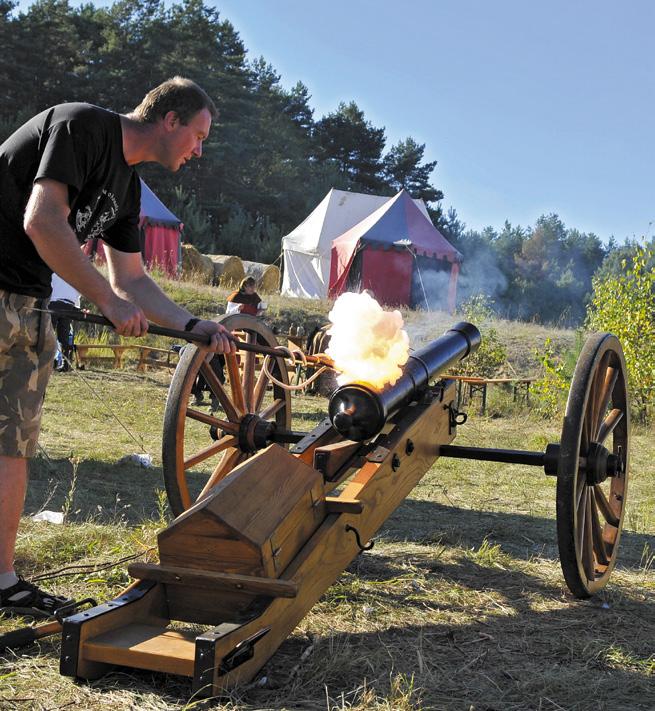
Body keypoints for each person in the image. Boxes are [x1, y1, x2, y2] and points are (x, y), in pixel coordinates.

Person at [0, 77, 235, 617]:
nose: (199, 151)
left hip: (31, 306)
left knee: (12, 444)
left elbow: (132, 279)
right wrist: (105, 299)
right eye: (198, 136)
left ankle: (4, 581)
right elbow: (41, 220)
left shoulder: (126, 190)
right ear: (169, 120)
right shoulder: (82, 125)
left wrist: (190, 323)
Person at [49, 273, 82, 371]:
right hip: (69, 305)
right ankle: (66, 364)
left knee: (48, 334)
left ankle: (51, 361)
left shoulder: (54, 269)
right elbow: (78, 292)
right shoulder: (74, 273)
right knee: (64, 338)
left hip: (53, 303)